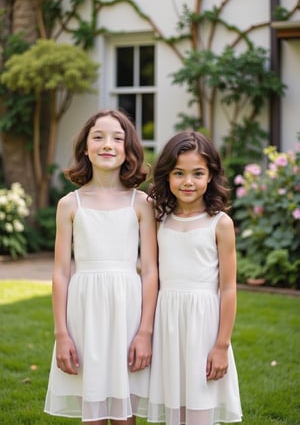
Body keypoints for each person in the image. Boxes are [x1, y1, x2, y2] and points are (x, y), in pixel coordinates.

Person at [44, 109, 158, 424]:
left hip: (128, 313)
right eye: (98, 137)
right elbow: (61, 272)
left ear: (128, 150)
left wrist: (145, 332)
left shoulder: (141, 203)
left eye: (117, 138)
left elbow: (150, 271)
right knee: (92, 407)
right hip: (85, 313)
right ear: (85, 148)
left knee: (125, 412)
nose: (107, 144)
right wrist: (62, 333)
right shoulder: (70, 204)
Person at [147, 131, 242, 425]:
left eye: (197, 173)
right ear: (167, 175)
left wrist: (221, 345)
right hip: (168, 321)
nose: (188, 181)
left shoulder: (220, 223)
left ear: (211, 175)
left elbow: (227, 288)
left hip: (204, 324)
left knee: (200, 407)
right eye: (179, 173)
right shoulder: (159, 217)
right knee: (175, 405)